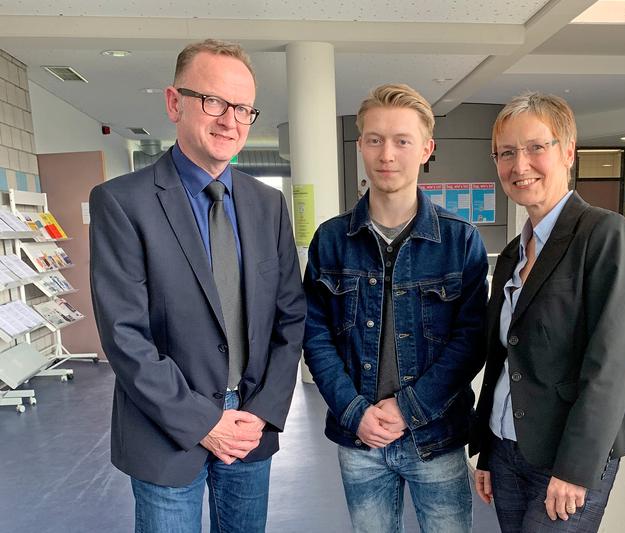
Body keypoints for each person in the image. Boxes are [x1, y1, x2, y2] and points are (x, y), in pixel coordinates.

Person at [89, 39, 305, 533]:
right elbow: (125, 335)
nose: (230, 120)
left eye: (244, 108)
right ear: (174, 103)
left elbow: (290, 319)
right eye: (214, 101)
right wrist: (204, 422)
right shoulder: (122, 203)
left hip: (250, 428)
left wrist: (263, 411)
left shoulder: (266, 205)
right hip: (165, 430)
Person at [303, 83, 488, 533]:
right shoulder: (330, 239)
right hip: (359, 437)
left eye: (402, 141)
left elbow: (470, 342)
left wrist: (408, 408)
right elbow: (315, 334)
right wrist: (354, 412)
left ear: (426, 148)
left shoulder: (461, 240)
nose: (387, 154)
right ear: (361, 146)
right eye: (374, 139)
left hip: (436, 437)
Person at [469, 91, 625, 533]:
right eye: (506, 153)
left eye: (535, 147)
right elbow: (502, 358)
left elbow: (611, 366)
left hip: (568, 457)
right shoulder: (513, 253)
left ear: (568, 152)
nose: (519, 164)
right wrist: (488, 450)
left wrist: (574, 469)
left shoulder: (604, 235)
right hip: (508, 450)